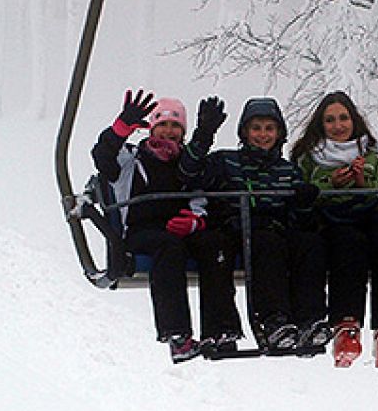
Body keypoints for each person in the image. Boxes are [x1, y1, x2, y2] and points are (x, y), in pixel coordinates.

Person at [91, 90, 241, 363]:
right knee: (168, 246)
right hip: (141, 232)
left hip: (183, 232)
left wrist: (196, 222)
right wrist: (121, 128)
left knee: (215, 243)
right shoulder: (131, 158)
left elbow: (200, 198)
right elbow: (103, 157)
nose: (169, 131)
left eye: (175, 126)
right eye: (163, 124)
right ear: (152, 127)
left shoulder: (190, 164)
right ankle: (177, 334)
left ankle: (220, 331)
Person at [291, 91, 378, 369]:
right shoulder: (308, 157)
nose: (338, 125)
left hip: (368, 214)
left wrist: (360, 182)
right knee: (349, 244)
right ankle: (346, 326)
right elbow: (304, 192)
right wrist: (330, 184)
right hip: (331, 219)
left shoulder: (371, 154)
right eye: (330, 120)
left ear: (354, 121)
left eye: (343, 118)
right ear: (321, 125)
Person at [202, 97, 328, 354]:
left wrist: (303, 204)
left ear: (279, 133)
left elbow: (299, 220)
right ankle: (273, 320)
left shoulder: (287, 171)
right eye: (256, 128)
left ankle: (309, 319)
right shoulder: (226, 161)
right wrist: (204, 133)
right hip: (237, 229)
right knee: (265, 242)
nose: (262, 135)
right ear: (245, 132)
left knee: (309, 243)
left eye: (269, 129)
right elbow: (191, 173)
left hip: (275, 230)